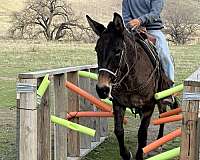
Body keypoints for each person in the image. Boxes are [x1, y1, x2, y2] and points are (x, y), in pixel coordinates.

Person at [122, 0, 174, 83]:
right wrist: (135, 27)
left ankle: (170, 84)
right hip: (134, 30)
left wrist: (140, 21)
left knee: (164, 56)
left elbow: (155, 13)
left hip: (153, 29)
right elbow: (126, 17)